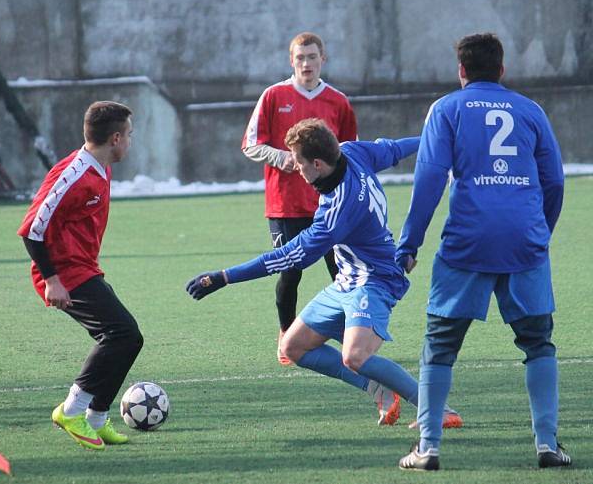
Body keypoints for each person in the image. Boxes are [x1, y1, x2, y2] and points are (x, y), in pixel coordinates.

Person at [189, 118, 462, 428]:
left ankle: (438, 410)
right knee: (293, 347)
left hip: (374, 281)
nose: (295, 168)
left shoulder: (337, 211)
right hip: (347, 279)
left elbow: (286, 256)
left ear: (317, 163)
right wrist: (435, 140)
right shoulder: (351, 151)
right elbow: (395, 149)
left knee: (355, 357)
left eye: (298, 162)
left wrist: (225, 276)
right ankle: (379, 390)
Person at [396, 33, 569, 471]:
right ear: (502, 69)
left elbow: (430, 182)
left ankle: (428, 448)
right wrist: (538, 233)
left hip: (468, 243)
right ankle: (546, 444)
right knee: (538, 342)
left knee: (439, 345)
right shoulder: (530, 110)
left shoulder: (447, 109)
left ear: (461, 72)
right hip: (524, 241)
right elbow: (555, 182)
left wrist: (409, 243)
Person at [18, 101, 143, 450]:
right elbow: (32, 230)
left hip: (84, 267)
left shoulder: (100, 166)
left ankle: (97, 418)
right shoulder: (74, 174)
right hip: (63, 272)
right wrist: (51, 280)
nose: (130, 142)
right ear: (115, 138)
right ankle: (71, 410)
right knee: (121, 333)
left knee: (127, 338)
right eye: (129, 135)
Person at [242, 32, 358, 366]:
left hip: (330, 204)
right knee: (290, 271)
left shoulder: (338, 101)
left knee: (343, 271)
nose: (306, 64)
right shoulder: (274, 96)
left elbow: (350, 151)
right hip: (286, 205)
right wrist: (283, 158)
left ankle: (351, 335)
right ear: (291, 61)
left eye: (312, 57)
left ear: (324, 59)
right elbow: (250, 143)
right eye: (300, 58)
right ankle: (286, 333)